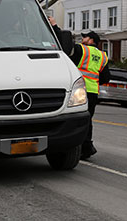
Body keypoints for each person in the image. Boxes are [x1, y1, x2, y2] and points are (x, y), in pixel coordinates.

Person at [48, 16, 110, 159]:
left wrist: (55, 27)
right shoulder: (103, 56)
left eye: (85, 37)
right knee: (87, 120)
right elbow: (106, 77)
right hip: (93, 92)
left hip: (79, 91)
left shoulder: (81, 50)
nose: (83, 39)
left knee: (76, 121)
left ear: (92, 40)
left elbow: (64, 47)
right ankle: (86, 147)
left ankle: (81, 147)